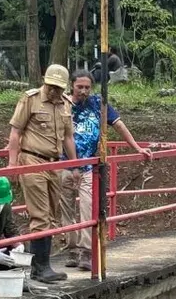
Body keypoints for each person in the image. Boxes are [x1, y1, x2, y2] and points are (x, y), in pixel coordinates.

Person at [59, 70, 152, 270]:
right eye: (79, 87)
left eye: (87, 87)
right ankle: (72, 249)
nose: (83, 91)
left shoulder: (98, 104)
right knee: (66, 209)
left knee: (87, 207)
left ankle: (86, 251)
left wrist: (136, 147)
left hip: (89, 166)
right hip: (64, 164)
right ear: (72, 85)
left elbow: (118, 125)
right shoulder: (63, 104)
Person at [6, 63, 77, 284]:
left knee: (52, 216)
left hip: (54, 164)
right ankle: (40, 267)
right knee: (40, 215)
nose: (54, 91)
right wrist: (12, 164)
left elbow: (68, 137)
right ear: (45, 82)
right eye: (51, 86)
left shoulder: (66, 104)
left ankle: (42, 264)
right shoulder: (31, 99)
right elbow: (16, 132)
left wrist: (75, 165)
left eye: (58, 88)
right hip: (32, 160)